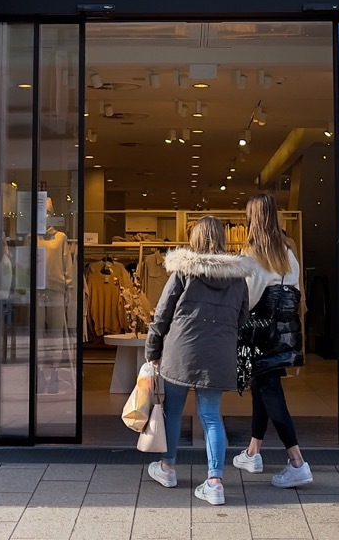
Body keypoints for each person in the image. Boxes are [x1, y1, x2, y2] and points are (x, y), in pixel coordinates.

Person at [145, 216, 253, 506]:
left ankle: (167, 468)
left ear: (194, 238)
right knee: (211, 416)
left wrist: (152, 348)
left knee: (172, 410)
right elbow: (242, 316)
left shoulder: (184, 271)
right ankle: (215, 482)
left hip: (182, 350)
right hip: (218, 352)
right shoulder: (238, 276)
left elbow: (163, 313)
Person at [232, 193, 313, 488]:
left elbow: (249, 300)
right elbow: (296, 292)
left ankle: (297, 461)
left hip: (260, 335)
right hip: (283, 332)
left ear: (252, 218)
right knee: (263, 387)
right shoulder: (288, 251)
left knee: (269, 390)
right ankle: (253, 452)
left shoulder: (252, 254)